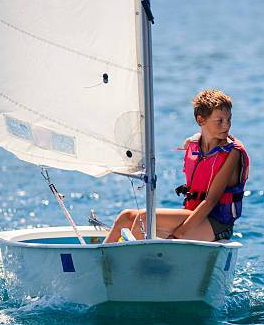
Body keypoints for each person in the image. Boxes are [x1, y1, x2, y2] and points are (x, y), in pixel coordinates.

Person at [103, 89, 249, 243]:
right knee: (125, 218)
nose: (226, 125)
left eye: (229, 119)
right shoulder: (194, 144)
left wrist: (179, 233)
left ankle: (133, 264)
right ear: (201, 120)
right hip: (193, 216)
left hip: (216, 223)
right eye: (219, 121)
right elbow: (198, 140)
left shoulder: (232, 154)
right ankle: (100, 262)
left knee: (143, 220)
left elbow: (210, 201)